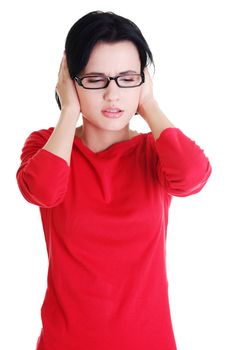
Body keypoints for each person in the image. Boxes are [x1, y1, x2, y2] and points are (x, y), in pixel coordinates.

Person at [16, 10, 212, 350]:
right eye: (95, 79)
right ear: (70, 82)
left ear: (143, 80)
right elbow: (43, 190)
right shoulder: (46, 146)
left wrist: (148, 104)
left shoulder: (155, 152)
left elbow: (193, 176)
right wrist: (68, 112)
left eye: (127, 78)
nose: (113, 94)